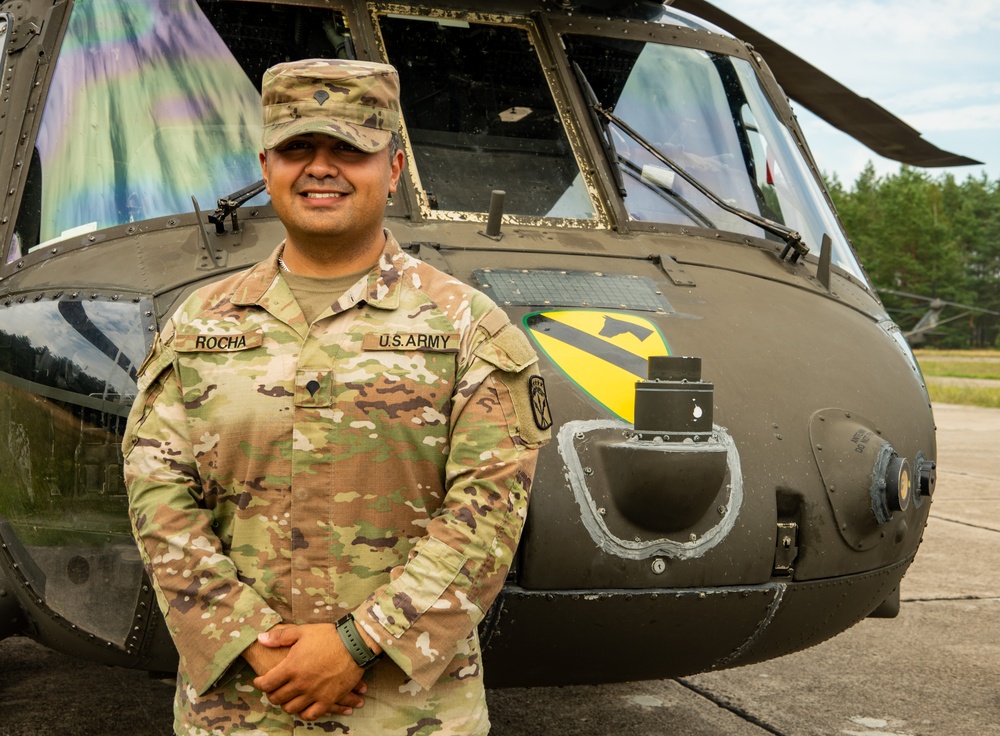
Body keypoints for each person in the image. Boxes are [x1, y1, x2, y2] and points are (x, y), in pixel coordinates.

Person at [123, 58, 551, 735]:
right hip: (238, 708)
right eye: (298, 148)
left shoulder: (468, 327)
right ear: (267, 167)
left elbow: (487, 515)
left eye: (350, 149)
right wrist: (251, 638)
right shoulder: (199, 325)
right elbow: (158, 493)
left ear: (395, 167)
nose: (321, 167)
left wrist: (358, 642)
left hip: (407, 713)